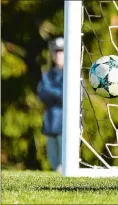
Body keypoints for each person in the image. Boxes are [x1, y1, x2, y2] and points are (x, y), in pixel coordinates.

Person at [37, 37, 65, 173]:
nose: (59, 55)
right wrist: (58, 93)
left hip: (65, 126)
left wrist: (53, 92)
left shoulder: (73, 74)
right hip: (50, 124)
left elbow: (68, 96)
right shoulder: (48, 75)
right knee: (54, 163)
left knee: (64, 164)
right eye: (57, 51)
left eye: (62, 51)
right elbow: (42, 93)